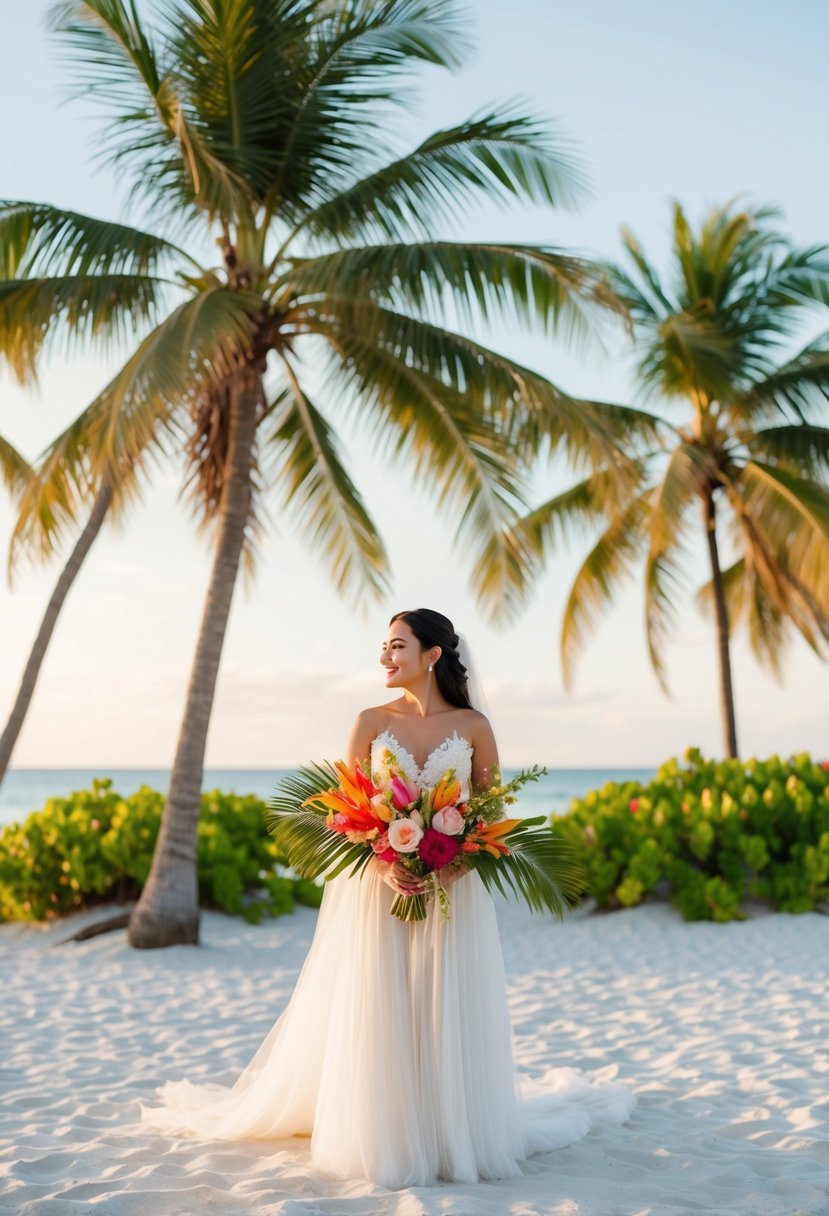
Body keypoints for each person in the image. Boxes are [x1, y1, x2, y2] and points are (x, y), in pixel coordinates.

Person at [138, 608, 636, 1187]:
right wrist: (388, 867)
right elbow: (345, 814)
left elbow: (490, 815)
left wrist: (448, 868)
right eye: (384, 645)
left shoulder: (474, 727)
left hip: (453, 893)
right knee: (385, 1001)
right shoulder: (369, 722)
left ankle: (448, 1130)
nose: (384, 656)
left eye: (397, 645)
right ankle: (389, 1132)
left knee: (442, 999)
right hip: (378, 891)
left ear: (432, 655)